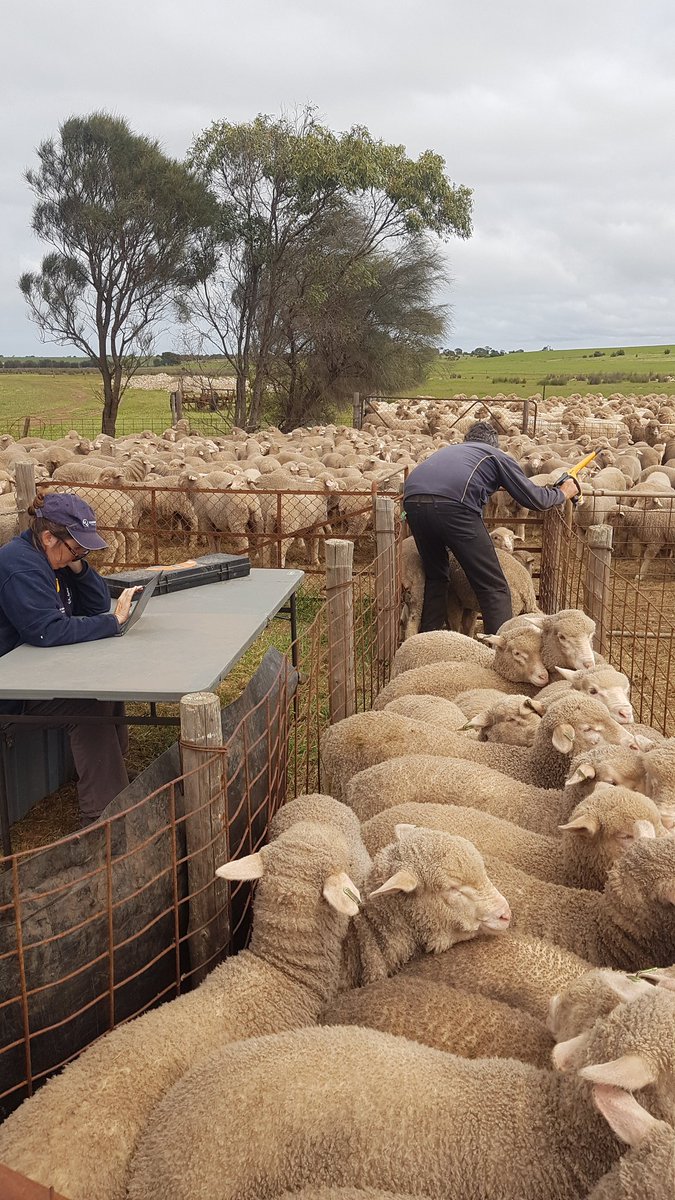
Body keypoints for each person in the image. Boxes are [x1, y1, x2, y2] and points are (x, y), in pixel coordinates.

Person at [0, 492, 141, 826]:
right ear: (48, 537)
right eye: (77, 547)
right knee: (86, 706)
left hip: (35, 671)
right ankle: (103, 818)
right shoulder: (19, 566)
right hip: (12, 690)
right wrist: (113, 623)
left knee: (103, 682)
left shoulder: (51, 558)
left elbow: (94, 605)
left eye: (84, 548)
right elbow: (46, 632)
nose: (80, 553)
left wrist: (77, 564)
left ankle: (110, 773)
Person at [403, 421, 580, 635]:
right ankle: (500, 654)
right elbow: (534, 499)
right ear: (494, 444)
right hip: (455, 506)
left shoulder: (449, 452)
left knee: (437, 577)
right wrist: (563, 492)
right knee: (494, 587)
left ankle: (429, 644)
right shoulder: (494, 455)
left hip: (413, 503)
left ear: (467, 441)